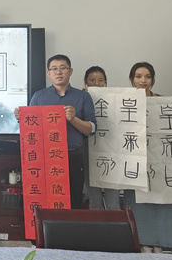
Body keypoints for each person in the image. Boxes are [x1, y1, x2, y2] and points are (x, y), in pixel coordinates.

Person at [15, 54, 96, 209]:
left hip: (72, 157)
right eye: (54, 69)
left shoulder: (83, 97)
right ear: (48, 73)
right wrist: (22, 118)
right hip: (44, 159)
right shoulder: (39, 97)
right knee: (45, 203)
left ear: (70, 71)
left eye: (63, 68)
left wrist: (73, 119)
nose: (58, 72)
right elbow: (31, 130)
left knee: (73, 202)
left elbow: (92, 129)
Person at [124, 61, 172, 253]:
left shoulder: (162, 101)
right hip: (135, 160)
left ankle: (161, 242)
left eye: (147, 77)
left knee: (161, 202)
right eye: (138, 76)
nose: (143, 80)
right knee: (138, 203)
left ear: (153, 79)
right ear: (132, 78)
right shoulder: (124, 100)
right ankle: (142, 241)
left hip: (159, 159)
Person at [82, 66, 120, 210]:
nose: (97, 84)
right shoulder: (80, 98)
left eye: (101, 80)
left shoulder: (115, 99)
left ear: (105, 82)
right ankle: (96, 224)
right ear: (86, 81)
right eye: (92, 80)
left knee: (113, 201)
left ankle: (115, 224)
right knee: (94, 199)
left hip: (111, 148)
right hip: (88, 148)